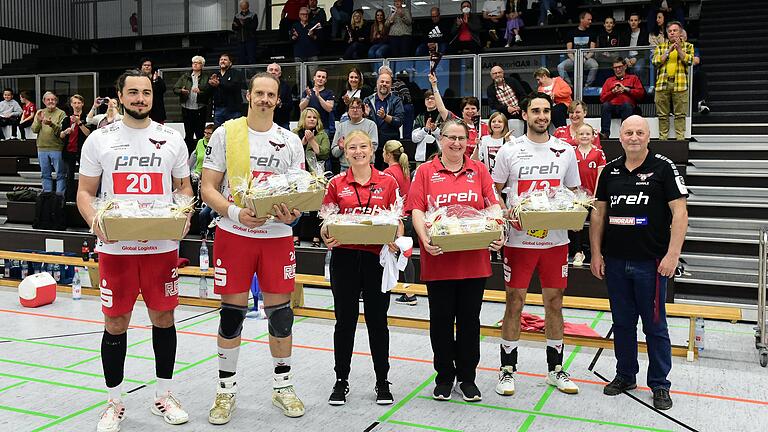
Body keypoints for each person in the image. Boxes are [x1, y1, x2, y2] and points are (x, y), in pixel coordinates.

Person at [76, 69, 193, 432]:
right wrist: (96, 220)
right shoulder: (100, 139)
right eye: (133, 93)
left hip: (161, 246)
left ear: (152, 97)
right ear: (120, 96)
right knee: (115, 322)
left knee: (164, 318)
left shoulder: (171, 138)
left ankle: (164, 395)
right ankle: (113, 402)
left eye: (146, 92)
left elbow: (184, 189)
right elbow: (84, 193)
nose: (140, 98)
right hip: (117, 248)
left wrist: (184, 214)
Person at [201, 72, 306, 424]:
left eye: (270, 94)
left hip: (276, 237)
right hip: (235, 234)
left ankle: (283, 387)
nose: (264, 99)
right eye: (259, 93)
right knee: (231, 317)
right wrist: (233, 211)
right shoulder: (226, 133)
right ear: (249, 95)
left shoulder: (290, 140)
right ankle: (226, 392)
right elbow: (208, 188)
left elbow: (299, 195)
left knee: (281, 316)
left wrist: (292, 216)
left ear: (278, 100)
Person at [590, 115, 688, 411]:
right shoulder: (609, 171)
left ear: (648, 136)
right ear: (620, 138)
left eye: (639, 132)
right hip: (616, 263)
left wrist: (672, 255)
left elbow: (680, 214)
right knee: (622, 323)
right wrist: (596, 253)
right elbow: (598, 215)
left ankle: (659, 384)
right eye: (628, 132)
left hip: (652, 263)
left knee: (655, 326)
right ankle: (626, 375)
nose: (634, 137)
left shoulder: (664, 167)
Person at [406, 118, 504, 402]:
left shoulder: (480, 170)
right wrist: (424, 240)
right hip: (438, 259)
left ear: (468, 141)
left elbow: (493, 205)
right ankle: (444, 377)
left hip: (473, 261)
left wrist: (497, 231)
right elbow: (417, 210)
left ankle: (468, 378)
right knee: (441, 321)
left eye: (462, 138)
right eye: (451, 137)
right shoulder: (425, 171)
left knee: (470, 322)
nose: (457, 143)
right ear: (441, 139)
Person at [492, 92, 581, 397]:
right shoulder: (510, 150)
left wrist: (573, 207)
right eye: (535, 111)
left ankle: (555, 369)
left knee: (554, 303)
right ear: (525, 115)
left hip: (555, 241)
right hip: (519, 240)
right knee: (514, 302)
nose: (541, 116)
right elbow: (494, 189)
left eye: (546, 111)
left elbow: (574, 191)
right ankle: (507, 369)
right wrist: (504, 212)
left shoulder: (565, 150)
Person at [321, 130, 402, 406]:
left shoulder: (388, 182)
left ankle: (382, 381)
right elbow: (326, 222)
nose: (358, 152)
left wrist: (395, 238)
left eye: (363, 147)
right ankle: (341, 380)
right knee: (344, 322)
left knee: (378, 322)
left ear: (372, 150)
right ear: (345, 152)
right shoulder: (336, 184)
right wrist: (324, 234)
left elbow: (398, 221)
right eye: (352, 147)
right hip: (344, 259)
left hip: (376, 260)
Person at [569, 123, 605, 267]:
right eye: (581, 134)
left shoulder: (598, 152)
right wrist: (573, 193)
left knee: (596, 224)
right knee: (576, 225)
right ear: (576, 136)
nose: (584, 136)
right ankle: (577, 252)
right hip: (576, 196)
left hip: (592, 196)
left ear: (593, 136)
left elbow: (599, 176)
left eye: (587, 134)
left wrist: (595, 196)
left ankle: (595, 252)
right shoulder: (571, 152)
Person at [292, 107, 330, 247]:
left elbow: (325, 153)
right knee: (297, 206)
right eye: (309, 117)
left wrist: (312, 140)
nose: (312, 119)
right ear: (304, 119)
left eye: (314, 117)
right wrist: (302, 142)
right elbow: (291, 153)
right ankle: (295, 235)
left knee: (315, 208)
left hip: (316, 176)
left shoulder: (322, 135)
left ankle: (315, 237)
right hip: (297, 176)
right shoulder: (294, 134)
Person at [430, 72, 488, 158]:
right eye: (467, 109)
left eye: (473, 108)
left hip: (480, 167)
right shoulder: (457, 123)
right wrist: (434, 86)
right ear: (462, 112)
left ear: (478, 111)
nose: (470, 111)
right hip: (459, 165)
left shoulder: (486, 127)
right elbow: (442, 109)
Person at [652, 21, 693, 141]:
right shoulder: (661, 47)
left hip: (679, 84)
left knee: (680, 114)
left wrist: (679, 49)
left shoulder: (688, 46)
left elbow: (689, 61)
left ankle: (680, 139)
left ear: (680, 32)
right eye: (669, 31)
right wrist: (668, 51)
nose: (672, 33)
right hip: (662, 84)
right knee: (662, 115)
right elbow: (655, 62)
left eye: (675, 31)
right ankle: (662, 139)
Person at [363, 72, 403, 170]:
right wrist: (366, 116)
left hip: (390, 148)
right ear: (377, 83)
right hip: (372, 146)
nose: (384, 84)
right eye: (382, 81)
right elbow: (361, 121)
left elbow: (399, 121)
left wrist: (385, 117)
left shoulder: (396, 100)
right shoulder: (368, 100)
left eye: (387, 82)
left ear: (391, 85)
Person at [174, 55, 212, 153]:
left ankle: (200, 154)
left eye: (198, 62)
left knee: (200, 133)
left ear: (202, 65)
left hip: (200, 108)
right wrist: (181, 91)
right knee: (188, 134)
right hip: (187, 108)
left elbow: (210, 92)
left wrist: (201, 92)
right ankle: (189, 154)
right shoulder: (185, 76)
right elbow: (175, 88)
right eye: (193, 62)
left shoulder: (206, 77)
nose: (195, 64)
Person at [599, 58, 645, 139]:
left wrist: (627, 89)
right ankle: (605, 134)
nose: (618, 70)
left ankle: (624, 133)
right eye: (615, 68)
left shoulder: (633, 78)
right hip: (612, 108)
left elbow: (641, 94)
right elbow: (602, 98)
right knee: (605, 105)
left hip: (628, 108)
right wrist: (612, 92)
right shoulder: (609, 80)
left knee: (626, 106)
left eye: (620, 67)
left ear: (625, 67)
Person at [32, 92, 66, 195]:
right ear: (44, 101)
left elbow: (61, 131)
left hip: (56, 147)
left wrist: (50, 124)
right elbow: (34, 129)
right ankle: (47, 196)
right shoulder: (40, 112)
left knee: (60, 174)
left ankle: (60, 197)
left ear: (56, 101)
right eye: (48, 99)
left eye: (53, 99)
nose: (51, 101)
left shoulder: (61, 113)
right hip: (42, 147)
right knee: (45, 174)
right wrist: (38, 120)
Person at [332, 97, 378, 173]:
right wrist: (341, 148)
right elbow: (334, 152)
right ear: (348, 111)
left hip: (366, 167)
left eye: (358, 107)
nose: (355, 110)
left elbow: (373, 147)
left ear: (363, 111)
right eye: (352, 108)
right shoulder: (341, 126)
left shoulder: (371, 125)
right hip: (346, 168)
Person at [59, 94, 91, 201]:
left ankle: (84, 198)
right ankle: (69, 198)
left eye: (78, 103)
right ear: (71, 104)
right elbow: (61, 135)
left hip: (83, 151)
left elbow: (88, 134)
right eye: (74, 103)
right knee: (69, 176)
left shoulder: (87, 117)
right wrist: (65, 131)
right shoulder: (67, 119)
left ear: (82, 104)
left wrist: (79, 123)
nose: (76, 105)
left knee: (85, 175)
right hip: (69, 150)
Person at [557, 11, 598, 87]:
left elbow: (592, 50)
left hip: (586, 57)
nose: (590, 21)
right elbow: (569, 51)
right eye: (588, 19)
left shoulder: (592, 33)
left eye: (591, 20)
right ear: (582, 19)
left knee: (594, 65)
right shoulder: (571, 33)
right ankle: (569, 85)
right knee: (560, 66)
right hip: (574, 57)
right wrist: (576, 61)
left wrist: (585, 58)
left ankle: (587, 85)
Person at [209, 53, 245, 126]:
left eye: (225, 60)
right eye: (221, 59)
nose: (222, 61)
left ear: (230, 63)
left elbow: (234, 87)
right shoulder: (215, 74)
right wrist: (210, 84)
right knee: (218, 132)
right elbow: (210, 91)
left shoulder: (236, 73)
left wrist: (219, 84)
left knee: (234, 132)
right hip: (218, 109)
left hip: (233, 110)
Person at [300, 68, 335, 142]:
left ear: (326, 80)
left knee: (322, 151)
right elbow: (301, 107)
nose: (320, 79)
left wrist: (318, 96)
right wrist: (308, 97)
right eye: (319, 76)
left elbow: (329, 108)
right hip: (308, 128)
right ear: (314, 78)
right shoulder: (307, 92)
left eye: (323, 77)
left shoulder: (329, 93)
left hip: (324, 128)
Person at [411, 90, 441, 163]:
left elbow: (446, 137)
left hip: (440, 157)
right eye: (427, 99)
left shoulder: (442, 116)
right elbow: (414, 138)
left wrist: (435, 129)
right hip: (422, 158)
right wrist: (425, 130)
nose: (429, 100)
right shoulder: (420, 117)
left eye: (432, 98)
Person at [620, 13, 650, 79]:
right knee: (619, 68)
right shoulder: (625, 33)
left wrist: (636, 58)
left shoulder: (644, 33)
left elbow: (646, 51)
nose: (633, 22)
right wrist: (626, 59)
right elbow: (621, 49)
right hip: (627, 58)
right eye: (631, 20)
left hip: (640, 57)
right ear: (628, 22)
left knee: (638, 69)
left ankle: (639, 88)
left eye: (635, 20)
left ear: (639, 21)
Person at [267, 63, 295, 131]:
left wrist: (280, 104)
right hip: (265, 122)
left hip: (282, 123)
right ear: (267, 72)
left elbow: (290, 106)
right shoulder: (261, 85)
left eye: (276, 70)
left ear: (279, 73)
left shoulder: (286, 87)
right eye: (271, 70)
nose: (273, 72)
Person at [140, 58, 167, 123]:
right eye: (145, 65)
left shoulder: (158, 79)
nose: (147, 67)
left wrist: (155, 81)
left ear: (151, 67)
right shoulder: (138, 79)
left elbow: (163, 90)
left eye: (148, 65)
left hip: (157, 111)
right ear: (141, 67)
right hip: (143, 109)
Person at [232, 0, 259, 65]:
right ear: (240, 7)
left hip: (250, 39)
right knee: (241, 59)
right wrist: (239, 25)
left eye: (245, 8)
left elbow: (254, 27)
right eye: (242, 8)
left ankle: (252, 72)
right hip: (240, 40)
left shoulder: (253, 15)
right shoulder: (237, 16)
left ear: (248, 6)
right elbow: (234, 27)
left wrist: (243, 23)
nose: (244, 10)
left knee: (251, 58)